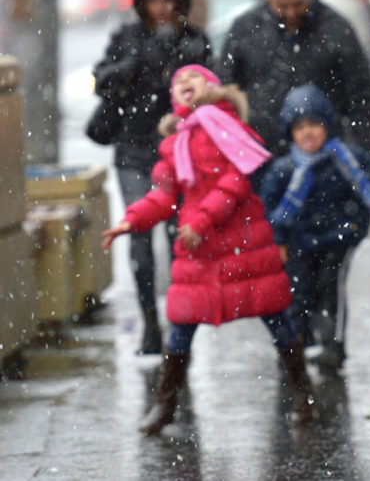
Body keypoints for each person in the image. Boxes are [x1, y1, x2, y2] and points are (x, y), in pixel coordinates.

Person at [100, 65, 314, 434]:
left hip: (242, 243)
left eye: (193, 78)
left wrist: (202, 220)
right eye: (178, 82)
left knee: (276, 317)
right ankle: (165, 405)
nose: (184, 84)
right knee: (181, 326)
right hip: (198, 250)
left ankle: (302, 393)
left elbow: (236, 180)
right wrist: (132, 220)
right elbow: (165, 195)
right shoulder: (176, 141)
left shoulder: (226, 123)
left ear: (212, 88)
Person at [92, 0, 211, 355]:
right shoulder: (126, 38)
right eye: (152, 0)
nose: (160, 8)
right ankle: (149, 324)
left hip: (181, 157)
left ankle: (180, 321)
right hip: (133, 153)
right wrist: (133, 65)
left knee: (181, 239)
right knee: (139, 241)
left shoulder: (194, 41)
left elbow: (210, 92)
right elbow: (101, 79)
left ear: (179, 2)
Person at [259, 84, 370, 372]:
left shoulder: (348, 160)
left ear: (327, 125)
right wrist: (279, 240)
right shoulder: (285, 170)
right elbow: (270, 209)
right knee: (298, 293)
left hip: (339, 239)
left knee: (331, 290)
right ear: (290, 133)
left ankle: (334, 346)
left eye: (314, 124)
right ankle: (294, 346)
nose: (308, 133)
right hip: (299, 242)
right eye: (300, 127)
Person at [210, 0, 370, 162]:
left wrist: (361, 157)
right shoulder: (245, 28)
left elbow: (362, 99)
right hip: (260, 157)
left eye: (298, 4)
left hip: (325, 160)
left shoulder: (336, 29)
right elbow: (225, 88)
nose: (291, 13)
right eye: (282, 6)